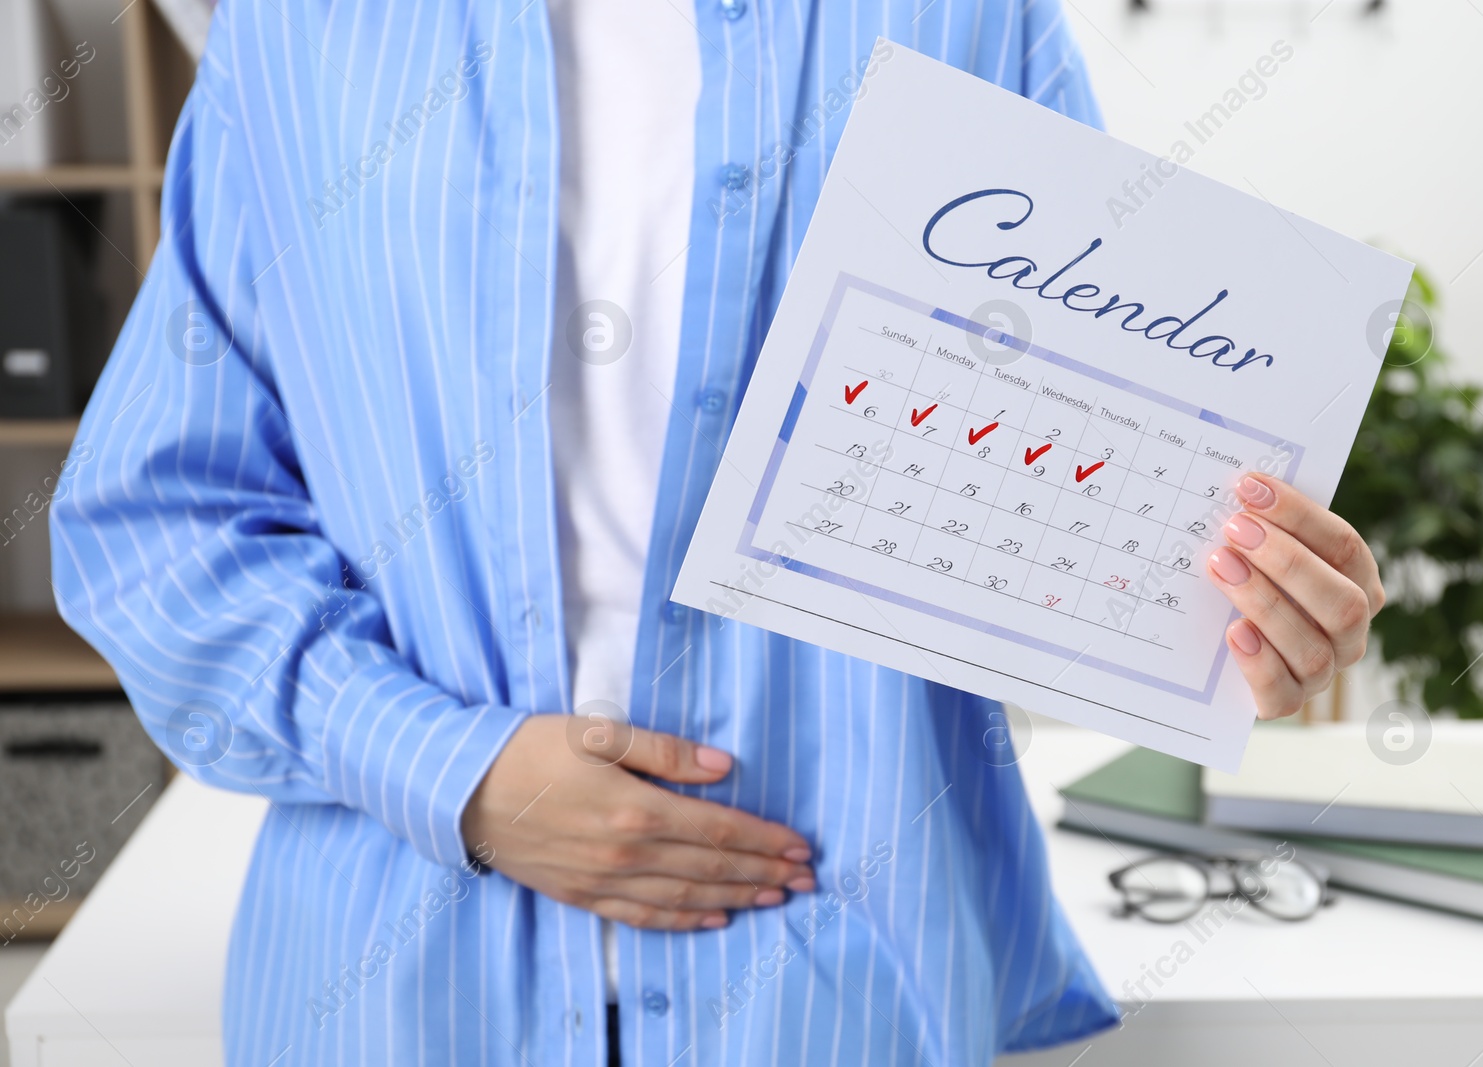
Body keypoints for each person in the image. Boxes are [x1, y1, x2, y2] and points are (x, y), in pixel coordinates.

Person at [50, 1, 1383, 1064]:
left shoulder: (967, 17)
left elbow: (1085, 482)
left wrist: (1238, 610)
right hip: (394, 1000)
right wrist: (452, 772)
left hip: (843, 998)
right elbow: (161, 518)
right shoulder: (300, 33)